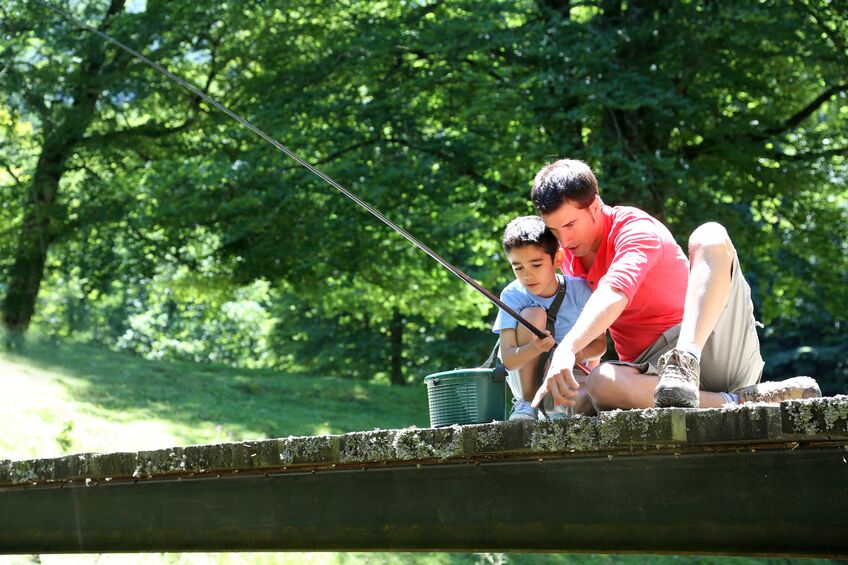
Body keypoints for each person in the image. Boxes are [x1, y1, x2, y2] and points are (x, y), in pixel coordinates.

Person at [527, 158, 821, 412]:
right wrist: (561, 364)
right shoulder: (569, 259)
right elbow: (597, 341)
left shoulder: (635, 228)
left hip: (709, 346)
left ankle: (686, 362)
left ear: (594, 206)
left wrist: (567, 348)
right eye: (554, 230)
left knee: (710, 234)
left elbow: (614, 291)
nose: (564, 240)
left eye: (569, 225)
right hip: (654, 377)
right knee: (600, 382)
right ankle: (738, 402)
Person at [493, 215, 606, 420]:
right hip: (526, 372)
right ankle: (528, 404)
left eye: (536, 265)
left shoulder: (581, 290)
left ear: (558, 259)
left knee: (592, 399)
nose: (527, 276)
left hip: (570, 373)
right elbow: (508, 360)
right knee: (533, 314)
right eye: (518, 268)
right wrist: (536, 347)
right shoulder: (511, 295)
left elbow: (600, 345)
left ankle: (559, 407)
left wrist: (573, 354)